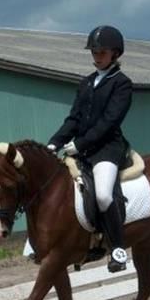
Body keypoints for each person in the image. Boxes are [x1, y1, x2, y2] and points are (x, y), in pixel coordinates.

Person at [48, 25, 133, 273]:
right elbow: (74, 118)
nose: (97, 57)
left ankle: (117, 249)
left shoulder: (122, 84)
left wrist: (80, 144)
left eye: (102, 52)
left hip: (107, 148)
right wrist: (55, 142)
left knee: (104, 195)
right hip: (81, 150)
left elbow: (109, 121)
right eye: (94, 52)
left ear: (115, 54)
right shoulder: (86, 83)